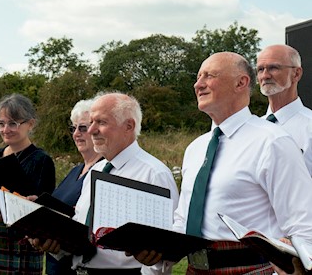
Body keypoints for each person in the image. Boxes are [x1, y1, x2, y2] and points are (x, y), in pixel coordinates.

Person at [131, 52, 312, 274]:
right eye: (198, 77)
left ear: (241, 82)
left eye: (209, 76)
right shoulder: (195, 148)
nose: (199, 84)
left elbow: (302, 222)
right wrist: (158, 253)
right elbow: (184, 219)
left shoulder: (273, 142)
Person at [34, 91, 179, 275]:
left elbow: (165, 252)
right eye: (92, 122)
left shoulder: (154, 174)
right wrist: (56, 244)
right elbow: (80, 233)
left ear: (128, 126)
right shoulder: (95, 171)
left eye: (101, 122)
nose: (92, 130)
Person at [0, 93, 56, 275]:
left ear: (30, 124)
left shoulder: (41, 161)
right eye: (1, 123)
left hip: (20, 246)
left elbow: (42, 216)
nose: (5, 129)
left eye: (13, 123)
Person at [45, 99, 104, 275]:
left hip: (78, 265)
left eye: (83, 128)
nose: (76, 133)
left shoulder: (104, 172)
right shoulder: (75, 170)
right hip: (54, 262)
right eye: (74, 128)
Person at [256, 44, 312, 174]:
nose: (265, 76)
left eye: (273, 68)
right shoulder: (251, 129)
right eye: (260, 69)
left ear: (296, 74)